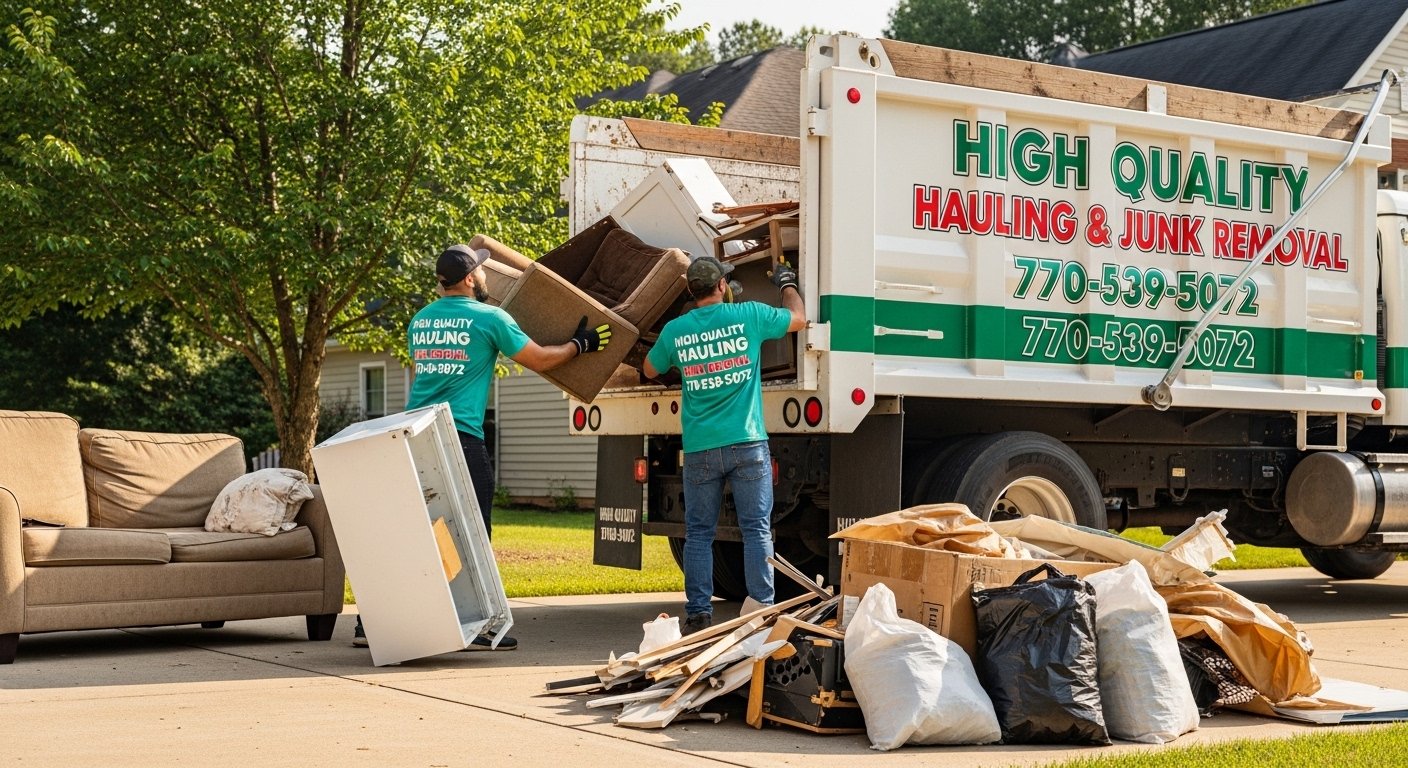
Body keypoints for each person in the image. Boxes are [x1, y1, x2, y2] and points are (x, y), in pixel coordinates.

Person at [354, 243, 611, 650]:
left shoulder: (419, 321)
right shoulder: (490, 318)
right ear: (471, 278)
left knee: (416, 527)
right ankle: (479, 626)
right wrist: (582, 345)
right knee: (473, 530)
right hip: (460, 434)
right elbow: (540, 358)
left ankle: (371, 624)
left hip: (413, 433)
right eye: (482, 272)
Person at [643, 255, 805, 634]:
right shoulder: (748, 315)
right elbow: (798, 318)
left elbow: (650, 369)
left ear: (690, 292)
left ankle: (698, 614)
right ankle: (762, 609)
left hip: (700, 448)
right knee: (756, 530)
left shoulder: (676, 330)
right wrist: (786, 284)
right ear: (721, 286)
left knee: (699, 533)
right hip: (747, 444)